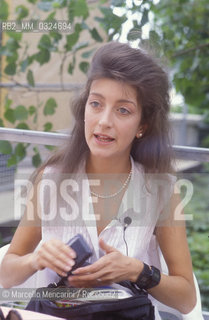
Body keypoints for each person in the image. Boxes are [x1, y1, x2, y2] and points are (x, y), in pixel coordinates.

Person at [0, 41, 196, 319]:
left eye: (123, 110)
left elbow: (186, 299)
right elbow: (7, 275)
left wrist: (137, 271)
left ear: (143, 125)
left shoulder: (160, 190)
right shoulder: (52, 180)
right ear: (84, 109)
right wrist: (36, 259)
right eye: (96, 103)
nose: (104, 121)